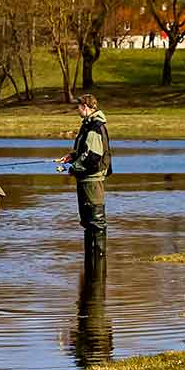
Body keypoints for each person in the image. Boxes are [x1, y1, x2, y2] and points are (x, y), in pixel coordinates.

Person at [58, 94, 112, 262]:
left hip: (92, 180)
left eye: (79, 107)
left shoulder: (95, 126)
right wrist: (71, 157)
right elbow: (85, 150)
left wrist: (73, 168)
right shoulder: (88, 125)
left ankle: (98, 261)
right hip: (87, 179)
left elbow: (93, 156)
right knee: (88, 221)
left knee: (96, 221)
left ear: (86, 107)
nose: (77, 110)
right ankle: (91, 262)